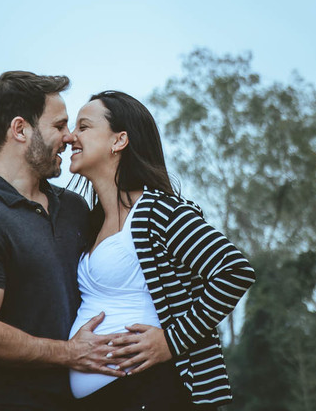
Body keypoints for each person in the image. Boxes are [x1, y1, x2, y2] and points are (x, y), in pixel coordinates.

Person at [65, 90, 256, 410]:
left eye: (84, 127)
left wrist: (172, 341)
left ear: (119, 140)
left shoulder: (157, 211)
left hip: (151, 391)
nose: (71, 137)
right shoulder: (93, 220)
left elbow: (235, 270)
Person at [0, 71, 124, 411]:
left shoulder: (73, 208)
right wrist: (69, 353)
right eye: (59, 126)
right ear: (20, 129)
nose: (70, 137)